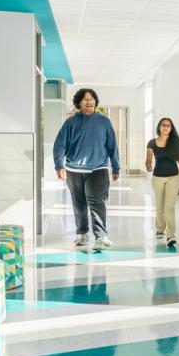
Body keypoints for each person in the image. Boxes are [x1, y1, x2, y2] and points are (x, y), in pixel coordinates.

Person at [53, 88, 120, 253]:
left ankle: (101, 236)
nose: (89, 102)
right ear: (79, 103)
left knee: (97, 201)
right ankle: (82, 233)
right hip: (74, 169)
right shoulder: (70, 123)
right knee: (79, 203)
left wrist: (116, 166)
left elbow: (112, 145)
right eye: (85, 99)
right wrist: (59, 165)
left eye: (91, 99)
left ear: (96, 102)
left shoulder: (104, 121)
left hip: (99, 167)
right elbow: (60, 145)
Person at [145, 117, 179, 247]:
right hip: (158, 178)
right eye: (163, 125)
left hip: (173, 178)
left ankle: (170, 235)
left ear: (171, 129)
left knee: (169, 207)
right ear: (159, 127)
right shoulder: (152, 143)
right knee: (160, 205)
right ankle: (160, 228)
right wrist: (148, 166)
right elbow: (148, 159)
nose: (165, 127)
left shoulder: (176, 143)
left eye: (168, 125)